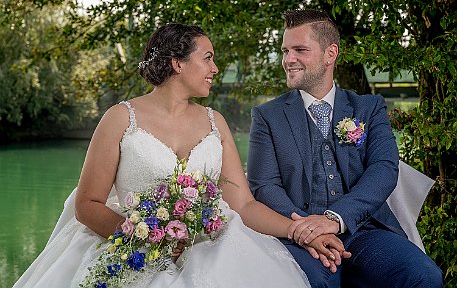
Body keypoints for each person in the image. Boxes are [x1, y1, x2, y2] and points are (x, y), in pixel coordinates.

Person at [12, 23, 347, 288]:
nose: (215, 68)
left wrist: (302, 231)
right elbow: (87, 205)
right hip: (130, 245)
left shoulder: (216, 122)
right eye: (208, 58)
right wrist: (143, 241)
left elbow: (244, 205)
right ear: (177, 63)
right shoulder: (119, 118)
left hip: (214, 245)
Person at [247, 9, 443, 288]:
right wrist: (307, 230)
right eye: (285, 50)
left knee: (425, 276)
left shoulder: (368, 107)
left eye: (300, 50)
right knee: (316, 282)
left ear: (331, 54)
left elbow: (384, 169)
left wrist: (336, 219)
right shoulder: (268, 115)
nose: (288, 60)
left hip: (363, 229)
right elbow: (264, 186)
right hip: (301, 236)